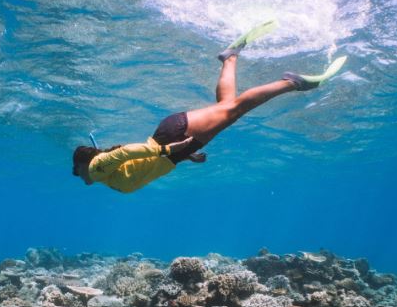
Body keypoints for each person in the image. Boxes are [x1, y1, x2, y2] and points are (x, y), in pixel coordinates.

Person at [72, 30, 345, 194]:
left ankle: (292, 83)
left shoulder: (96, 169)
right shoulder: (106, 176)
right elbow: (138, 164)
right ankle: (230, 57)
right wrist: (184, 155)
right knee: (227, 108)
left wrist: (170, 151)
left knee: (234, 110)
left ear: (86, 163)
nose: (80, 178)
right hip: (174, 144)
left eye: (77, 171)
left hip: (172, 138)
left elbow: (125, 152)